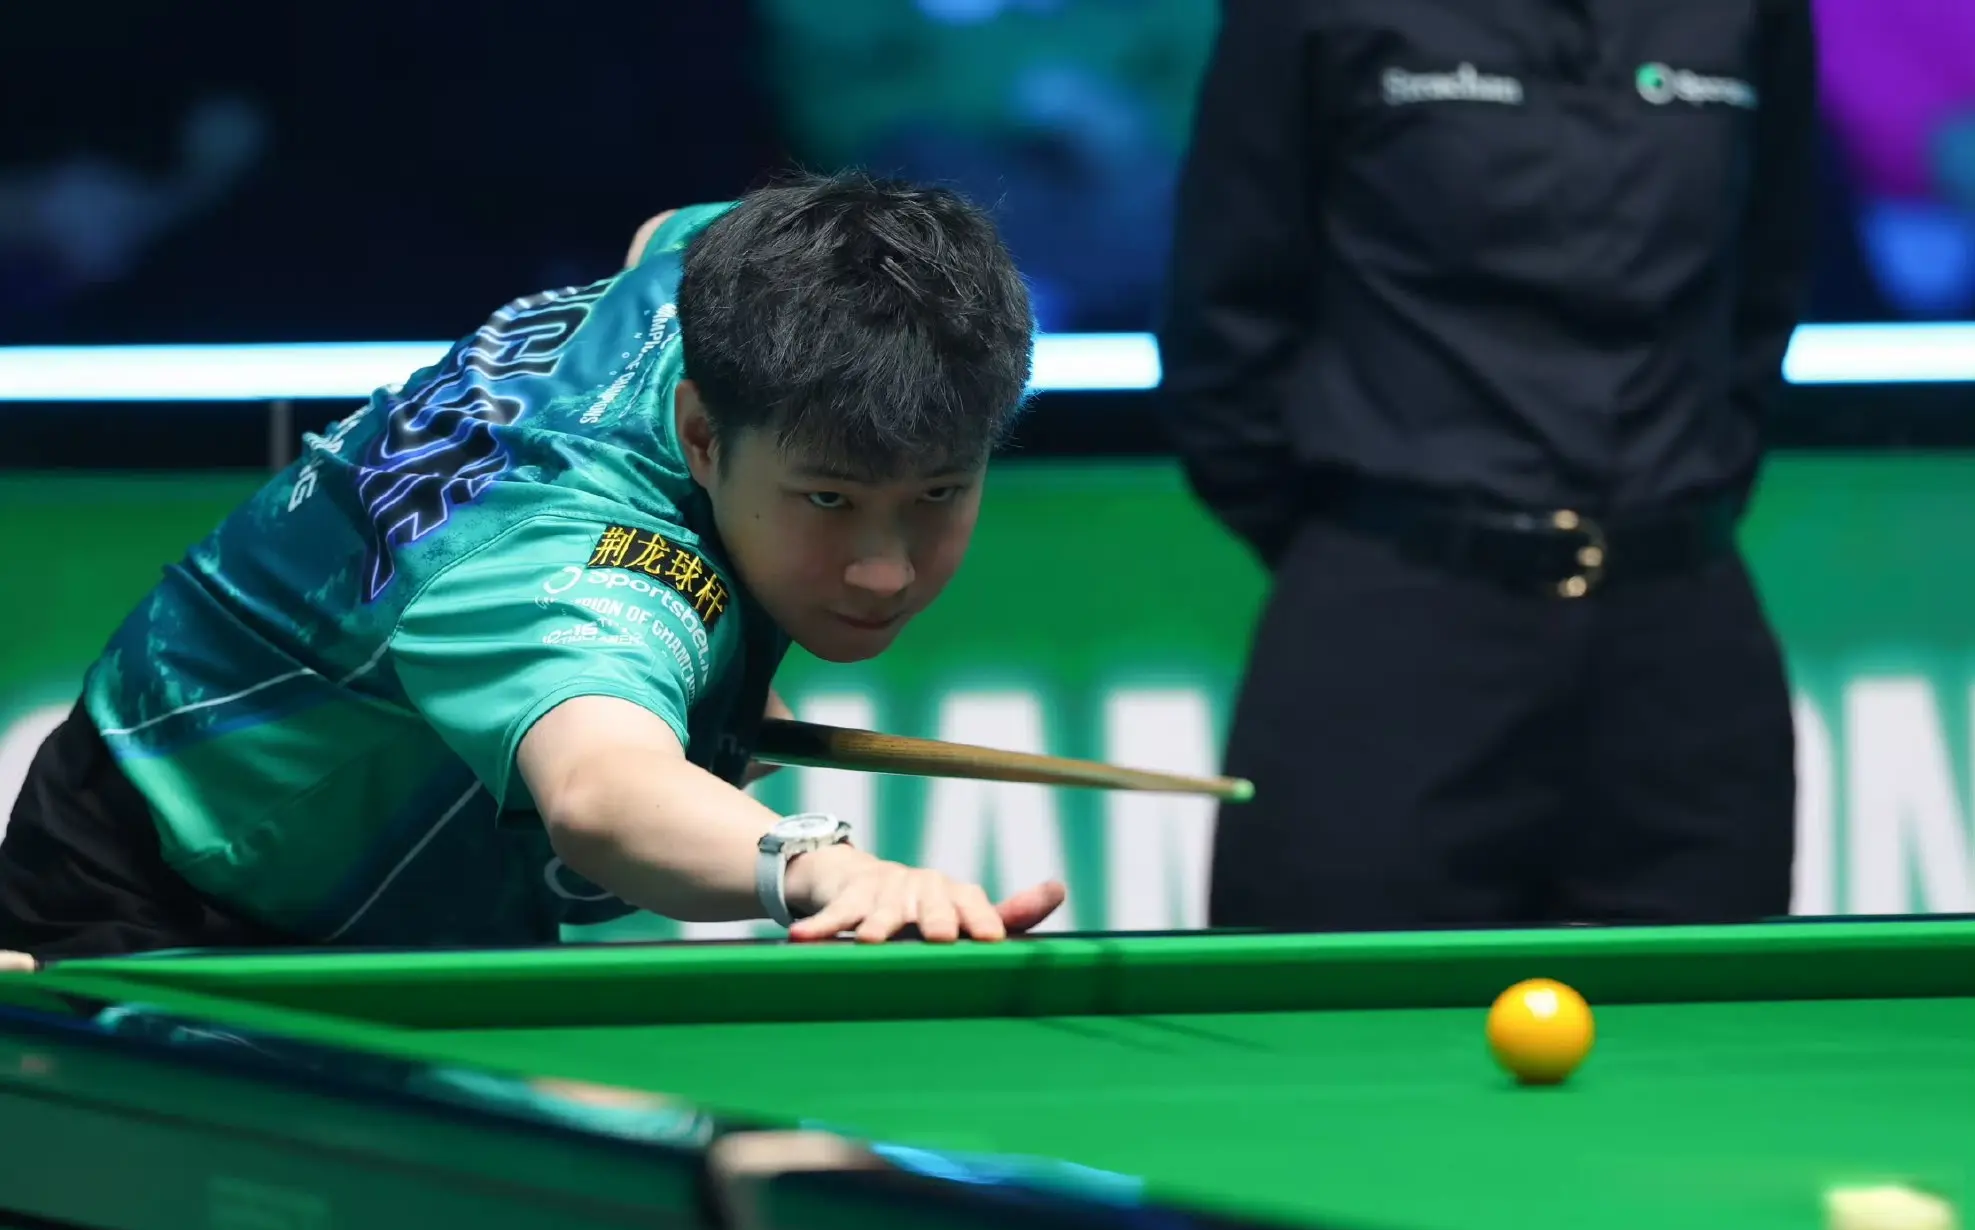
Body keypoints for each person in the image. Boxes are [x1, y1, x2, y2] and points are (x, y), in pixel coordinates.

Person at [0, 173, 1066, 965]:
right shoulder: (571, 563)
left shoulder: (727, 288)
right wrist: (821, 864)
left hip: (404, 883)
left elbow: (669, 229)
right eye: (829, 499)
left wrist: (712, 677)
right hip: (170, 891)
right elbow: (603, 792)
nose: (883, 570)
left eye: (938, 493)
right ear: (702, 435)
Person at [1158, 1, 1816, 930]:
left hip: (1680, 635)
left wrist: (1675, 511)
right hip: (1392, 627)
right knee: (1329, 1016)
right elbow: (1223, 325)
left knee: (1717, 1014)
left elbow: (1769, 281)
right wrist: (1378, 545)